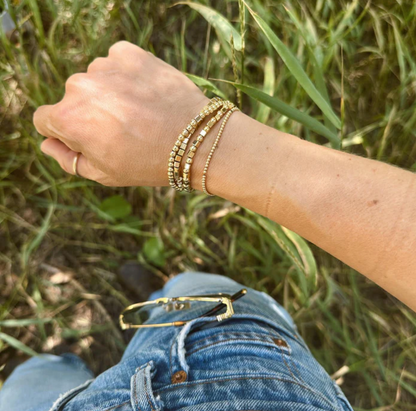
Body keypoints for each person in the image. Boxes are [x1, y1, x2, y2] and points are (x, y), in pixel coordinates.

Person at [0, 40, 415, 411]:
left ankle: (50, 358)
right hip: (252, 371)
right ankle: (169, 297)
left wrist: (201, 142)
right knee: (199, 290)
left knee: (28, 382)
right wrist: (207, 137)